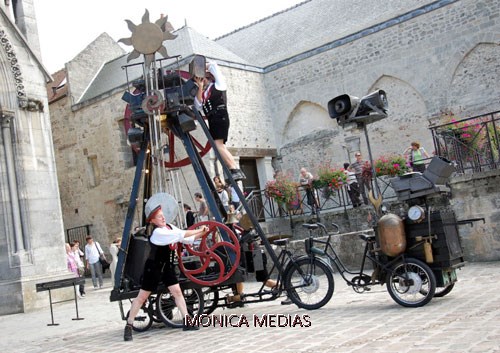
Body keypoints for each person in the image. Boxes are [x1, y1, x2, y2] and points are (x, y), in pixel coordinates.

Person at [124, 206, 209, 341]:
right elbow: (183, 234)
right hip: (154, 268)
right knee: (141, 298)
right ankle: (129, 325)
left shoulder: (170, 228)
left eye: (163, 215)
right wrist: (200, 229)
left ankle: (187, 321)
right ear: (153, 221)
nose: (163, 218)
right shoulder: (158, 233)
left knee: (177, 292)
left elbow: (186, 238)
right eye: (159, 217)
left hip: (167, 267)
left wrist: (203, 232)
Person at [193, 61, 246, 182]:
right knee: (219, 146)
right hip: (214, 120)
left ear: (209, 77)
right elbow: (198, 105)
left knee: (218, 145)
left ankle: (235, 169)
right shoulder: (205, 92)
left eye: (204, 79)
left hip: (220, 116)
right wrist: (200, 87)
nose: (202, 81)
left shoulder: (219, 85)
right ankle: (234, 169)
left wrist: (202, 67)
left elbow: (214, 65)